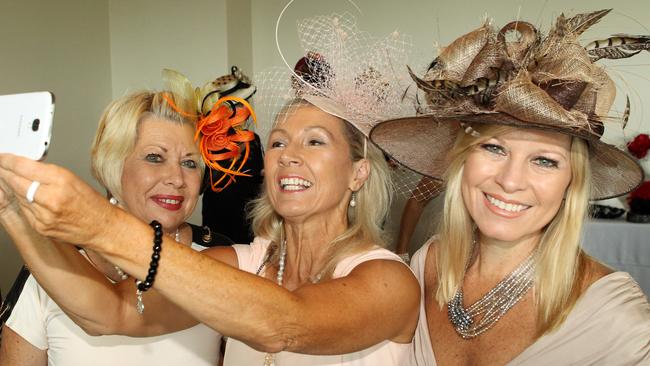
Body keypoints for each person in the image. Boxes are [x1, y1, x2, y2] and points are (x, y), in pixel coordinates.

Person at [0, 13, 420, 365]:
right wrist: (13, 210)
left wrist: (101, 224)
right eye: (277, 141)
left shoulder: (389, 281)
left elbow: (285, 324)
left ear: (358, 173)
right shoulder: (238, 263)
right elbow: (111, 312)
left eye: (314, 141)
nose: (288, 155)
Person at [370, 9, 650, 365]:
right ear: (462, 159)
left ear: (572, 182)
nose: (510, 180)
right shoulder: (428, 263)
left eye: (544, 160)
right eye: (493, 147)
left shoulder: (616, 322)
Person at [0, 90, 222, 365]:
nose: (177, 179)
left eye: (189, 163)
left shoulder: (224, 260)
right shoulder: (50, 267)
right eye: (155, 157)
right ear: (114, 164)